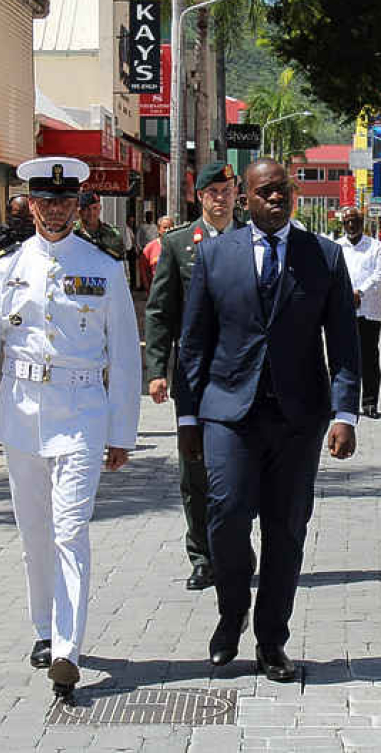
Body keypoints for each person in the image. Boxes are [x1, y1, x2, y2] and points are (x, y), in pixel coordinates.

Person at [0, 156, 141, 701]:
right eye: (46, 201)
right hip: (20, 411)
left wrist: (121, 431)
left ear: (80, 205)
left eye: (66, 202)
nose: (55, 211)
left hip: (82, 409)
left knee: (69, 530)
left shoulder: (103, 266)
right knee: (34, 531)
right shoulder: (4, 267)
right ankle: (43, 629)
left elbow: (125, 355)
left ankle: (67, 646)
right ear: (31, 204)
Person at [178, 158, 359, 682]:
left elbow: (344, 343)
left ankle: (271, 640)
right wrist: (188, 417)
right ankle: (231, 610)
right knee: (227, 515)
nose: (274, 199)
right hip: (228, 412)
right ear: (246, 198)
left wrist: (345, 414)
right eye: (264, 193)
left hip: (299, 417)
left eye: (282, 191)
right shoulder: (214, 256)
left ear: (294, 195)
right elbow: (193, 344)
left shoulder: (321, 256)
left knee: (287, 530)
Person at [145, 161, 244, 592]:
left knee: (241, 468)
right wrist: (156, 372)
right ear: (199, 197)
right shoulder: (179, 243)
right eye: (212, 192)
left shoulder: (251, 239)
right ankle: (202, 555)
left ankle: (236, 550)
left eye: (227, 190)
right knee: (195, 470)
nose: (220, 199)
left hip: (243, 372)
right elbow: (160, 311)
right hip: (194, 376)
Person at [338, 207, 381, 418]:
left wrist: (360, 292)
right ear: (343, 224)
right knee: (343, 358)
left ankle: (369, 403)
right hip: (342, 311)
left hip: (369, 311)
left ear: (362, 222)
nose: (351, 225)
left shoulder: (375, 247)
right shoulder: (337, 247)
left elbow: (380, 275)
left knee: (369, 358)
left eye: (355, 221)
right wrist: (347, 294)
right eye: (348, 221)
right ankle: (343, 403)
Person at [73, 191, 126, 263]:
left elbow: (120, 262)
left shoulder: (113, 234)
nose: (91, 213)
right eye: (86, 209)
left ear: (100, 208)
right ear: (79, 211)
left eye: (95, 208)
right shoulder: (70, 232)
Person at [140, 215, 175, 287]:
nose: (167, 230)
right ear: (159, 230)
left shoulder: (178, 246)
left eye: (170, 228)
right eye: (165, 228)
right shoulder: (149, 248)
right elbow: (143, 270)